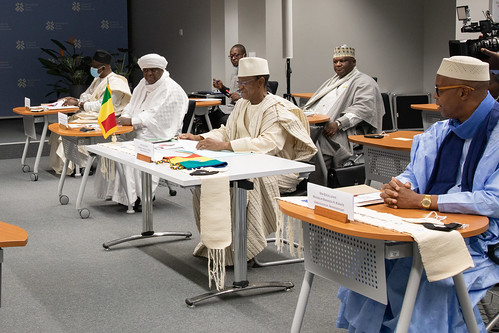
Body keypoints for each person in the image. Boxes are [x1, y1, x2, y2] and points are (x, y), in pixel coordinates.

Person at [337, 55, 499, 332]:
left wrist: (424, 201)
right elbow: (414, 173)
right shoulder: (441, 130)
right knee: (373, 263)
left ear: (464, 92)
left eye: (440, 90)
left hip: (482, 238)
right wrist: (400, 186)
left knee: (431, 281)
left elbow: (493, 201)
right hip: (429, 225)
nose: (435, 97)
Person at [179, 57, 317, 264]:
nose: (239, 88)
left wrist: (225, 146)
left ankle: (243, 250)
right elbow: (227, 131)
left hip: (277, 170)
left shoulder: (277, 109)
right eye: (239, 82)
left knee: (240, 185)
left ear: (261, 82)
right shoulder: (242, 104)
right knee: (208, 180)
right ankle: (217, 244)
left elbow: (268, 144)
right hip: (243, 164)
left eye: (244, 83)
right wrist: (201, 137)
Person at [94, 53, 189, 211]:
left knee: (135, 148)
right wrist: (125, 116)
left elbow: (157, 116)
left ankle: (140, 196)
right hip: (137, 128)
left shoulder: (171, 89)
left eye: (153, 71)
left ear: (161, 70)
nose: (149, 74)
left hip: (159, 135)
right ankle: (122, 194)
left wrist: (132, 121)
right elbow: (131, 105)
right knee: (114, 144)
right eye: (145, 71)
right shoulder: (143, 83)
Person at [302, 45, 384, 183]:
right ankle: (299, 182)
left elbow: (363, 108)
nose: (338, 64)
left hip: (343, 130)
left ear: (353, 62)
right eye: (335, 62)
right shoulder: (332, 81)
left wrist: (339, 124)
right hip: (318, 125)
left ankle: (321, 184)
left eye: (343, 61)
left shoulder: (364, 82)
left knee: (319, 142)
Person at [48, 50, 132, 174]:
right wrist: (75, 100)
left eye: (95, 67)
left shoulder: (116, 82)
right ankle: (69, 164)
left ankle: (80, 165)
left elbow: (104, 106)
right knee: (62, 127)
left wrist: (80, 104)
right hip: (89, 113)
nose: (92, 69)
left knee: (72, 126)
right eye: (92, 66)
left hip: (105, 118)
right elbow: (85, 96)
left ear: (105, 67)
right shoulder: (98, 79)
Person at [210, 44, 246, 128]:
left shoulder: (250, 73)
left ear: (244, 55)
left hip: (241, 109)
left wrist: (240, 98)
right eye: (231, 56)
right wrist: (222, 88)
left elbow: (256, 97)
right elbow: (231, 94)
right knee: (210, 116)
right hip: (229, 108)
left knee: (223, 120)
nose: (233, 58)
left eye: (236, 55)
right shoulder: (234, 73)